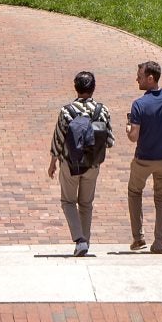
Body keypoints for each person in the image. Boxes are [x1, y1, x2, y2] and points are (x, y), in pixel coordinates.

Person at [46, 70, 114, 255]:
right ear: (93, 88)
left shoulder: (66, 111)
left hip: (70, 164)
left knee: (68, 201)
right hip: (93, 164)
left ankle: (80, 240)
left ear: (75, 88)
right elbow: (110, 141)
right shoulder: (103, 110)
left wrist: (53, 162)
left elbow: (58, 139)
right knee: (86, 203)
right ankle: (85, 241)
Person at [123, 60, 162, 253]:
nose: (137, 79)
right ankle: (159, 242)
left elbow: (133, 137)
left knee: (135, 193)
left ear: (150, 78)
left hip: (143, 159)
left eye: (140, 76)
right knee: (161, 200)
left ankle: (138, 238)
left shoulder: (139, 104)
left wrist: (128, 128)